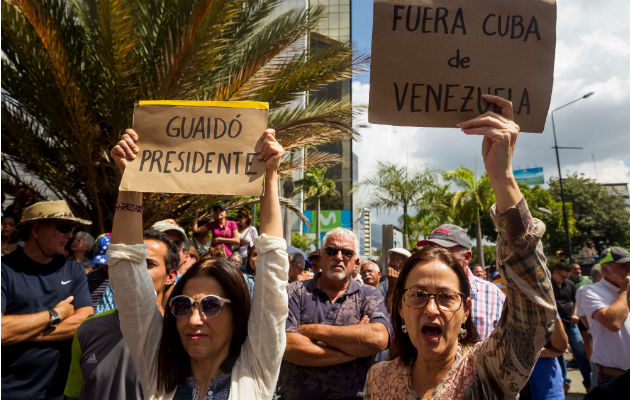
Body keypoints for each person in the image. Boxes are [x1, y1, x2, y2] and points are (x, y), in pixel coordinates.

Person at [363, 94, 556, 399]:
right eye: (417, 295)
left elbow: (533, 312)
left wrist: (502, 177)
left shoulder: (489, 370)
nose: (430, 308)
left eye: (445, 297)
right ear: (400, 307)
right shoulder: (379, 378)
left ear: (466, 310)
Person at [108, 127, 288, 399]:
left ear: (237, 317)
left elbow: (273, 271)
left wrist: (271, 175)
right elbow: (125, 269)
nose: (193, 320)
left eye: (211, 305)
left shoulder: (255, 369)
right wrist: (130, 182)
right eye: (182, 306)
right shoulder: (157, 369)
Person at [64, 229, 179, 399]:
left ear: (170, 276)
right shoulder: (87, 330)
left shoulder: (178, 335)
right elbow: (74, 394)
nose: (135, 271)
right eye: (129, 262)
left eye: (148, 264)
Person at [279, 227, 392, 400]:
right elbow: (288, 346)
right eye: (332, 251)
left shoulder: (368, 295)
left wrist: (311, 331)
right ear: (322, 257)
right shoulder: (296, 292)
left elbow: (378, 338)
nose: (338, 257)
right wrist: (355, 348)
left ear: (356, 262)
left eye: (346, 253)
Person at [1, 200, 94, 400]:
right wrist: (56, 314)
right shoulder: (4, 270)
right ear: (36, 230)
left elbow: (84, 322)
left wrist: (22, 333)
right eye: (64, 228)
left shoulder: (73, 269)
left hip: (60, 392)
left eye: (72, 229)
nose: (70, 235)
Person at [418, 224, 506, 339]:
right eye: (429, 252)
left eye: (444, 254)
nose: (435, 260)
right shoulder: (415, 293)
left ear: (467, 258)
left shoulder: (494, 296)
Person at [577, 247, 630, 387]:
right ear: (605, 271)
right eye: (623, 266)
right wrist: (624, 291)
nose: (628, 269)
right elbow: (613, 322)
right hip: (614, 377)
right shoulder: (589, 291)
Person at [551, 262, 592, 391]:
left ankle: (589, 384)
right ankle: (564, 383)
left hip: (571, 322)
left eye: (566, 277)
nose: (565, 279)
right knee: (559, 354)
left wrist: (575, 313)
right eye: (563, 276)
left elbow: (576, 301)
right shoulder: (547, 285)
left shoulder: (569, 284)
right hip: (555, 325)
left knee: (580, 352)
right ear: (555, 273)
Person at [520, 314, 568, 400]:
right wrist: (548, 352)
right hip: (514, 387)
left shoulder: (548, 306)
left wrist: (553, 312)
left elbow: (561, 347)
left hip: (548, 387)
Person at [380, 247, 411, 312]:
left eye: (398, 261)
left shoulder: (412, 284)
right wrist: (392, 287)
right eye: (392, 260)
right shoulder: (383, 286)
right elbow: (386, 312)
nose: (393, 264)